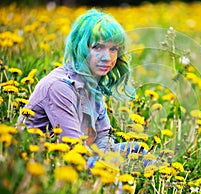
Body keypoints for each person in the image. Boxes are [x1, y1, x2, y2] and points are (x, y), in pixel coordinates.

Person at [18, 9, 136, 153]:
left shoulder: (93, 84)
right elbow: (73, 148)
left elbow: (104, 135)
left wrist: (107, 158)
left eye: (113, 49)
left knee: (136, 149)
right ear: (79, 48)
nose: (107, 57)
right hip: (48, 163)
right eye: (97, 47)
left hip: (86, 156)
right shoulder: (59, 87)